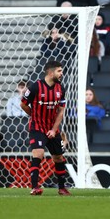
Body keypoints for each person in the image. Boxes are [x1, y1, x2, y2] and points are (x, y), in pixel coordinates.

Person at [20, 61, 71, 196]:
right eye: (59, 71)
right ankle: (35, 187)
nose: (62, 74)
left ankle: (62, 188)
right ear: (50, 72)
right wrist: (34, 115)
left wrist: (54, 130)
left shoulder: (61, 88)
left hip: (53, 128)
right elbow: (23, 104)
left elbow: (61, 111)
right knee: (38, 154)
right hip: (37, 127)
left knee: (58, 158)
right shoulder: (35, 87)